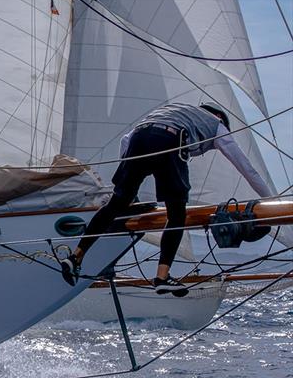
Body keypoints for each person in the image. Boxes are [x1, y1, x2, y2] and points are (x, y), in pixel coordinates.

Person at [60, 102, 274, 296]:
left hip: (139, 139)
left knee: (116, 205)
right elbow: (246, 169)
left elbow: (127, 140)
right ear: (219, 116)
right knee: (176, 214)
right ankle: (162, 276)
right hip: (169, 140)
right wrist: (270, 200)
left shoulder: (173, 111)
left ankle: (76, 256)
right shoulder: (216, 125)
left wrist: (127, 189)